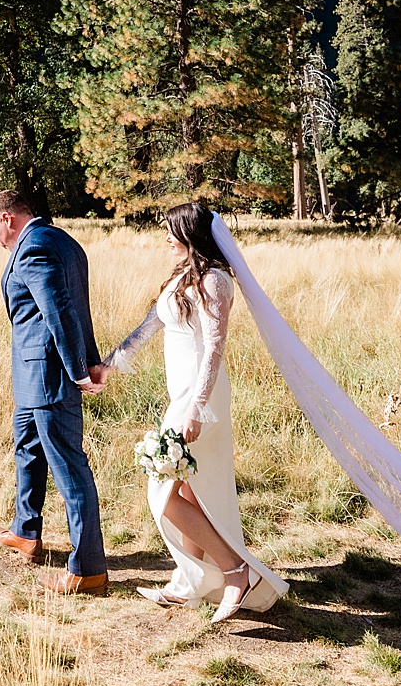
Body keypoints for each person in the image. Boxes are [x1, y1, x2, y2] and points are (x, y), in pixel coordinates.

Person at [102, 200, 288, 623]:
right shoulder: (182, 276)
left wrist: (197, 409)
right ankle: (189, 585)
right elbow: (149, 326)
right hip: (182, 396)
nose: (165, 237)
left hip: (201, 402)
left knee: (162, 490)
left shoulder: (216, 281)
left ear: (192, 234)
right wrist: (107, 365)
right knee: (187, 491)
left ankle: (235, 570)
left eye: (172, 230)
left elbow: (214, 351)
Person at [0, 188, 109, 595]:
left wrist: (79, 370)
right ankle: (26, 531)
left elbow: (61, 311)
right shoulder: (64, 240)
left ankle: (88, 568)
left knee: (70, 469)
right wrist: (89, 357)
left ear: (8, 219)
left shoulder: (33, 247)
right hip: (31, 377)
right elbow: (77, 307)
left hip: (48, 377)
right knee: (28, 451)